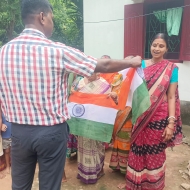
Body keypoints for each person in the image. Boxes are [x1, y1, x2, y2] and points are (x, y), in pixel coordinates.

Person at [0, 0, 141, 189]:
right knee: (49, 185)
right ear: (42, 17)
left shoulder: (3, 52)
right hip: (50, 133)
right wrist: (130, 62)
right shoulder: (57, 51)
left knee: (19, 185)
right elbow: (103, 65)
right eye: (52, 18)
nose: (53, 23)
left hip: (18, 132)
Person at [125, 33, 183, 190]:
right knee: (137, 148)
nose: (157, 48)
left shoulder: (171, 69)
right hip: (140, 113)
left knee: (155, 151)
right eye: (154, 45)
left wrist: (171, 123)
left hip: (159, 116)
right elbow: (130, 88)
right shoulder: (140, 65)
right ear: (150, 46)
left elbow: (171, 96)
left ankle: (152, 185)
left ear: (166, 49)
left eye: (161, 46)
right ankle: (136, 182)